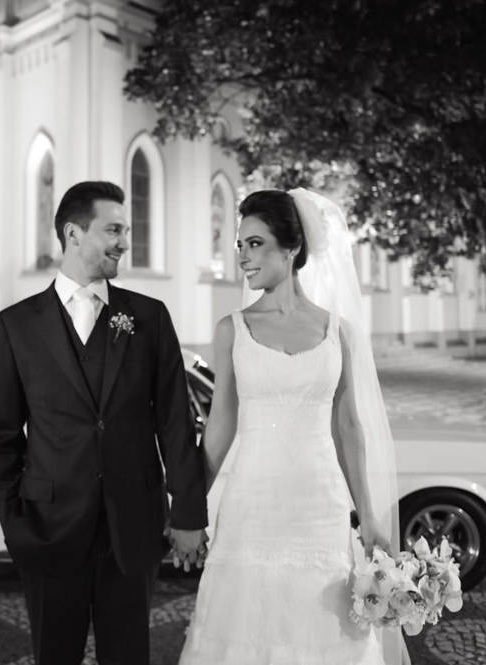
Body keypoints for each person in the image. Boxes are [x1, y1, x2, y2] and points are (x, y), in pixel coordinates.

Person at [178, 188, 409, 665]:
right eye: (240, 245)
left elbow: (348, 427)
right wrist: (189, 511)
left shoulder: (338, 332)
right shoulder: (231, 330)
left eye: (255, 243)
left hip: (320, 510)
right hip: (250, 507)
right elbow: (218, 426)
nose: (242, 256)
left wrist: (368, 515)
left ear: (292, 248)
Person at [0, 180, 209, 665]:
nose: (125, 242)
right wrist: (14, 522)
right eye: (113, 230)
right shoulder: (15, 325)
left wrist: (188, 513)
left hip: (132, 527)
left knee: (128, 656)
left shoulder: (148, 317)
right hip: (48, 528)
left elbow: (174, 420)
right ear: (73, 233)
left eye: (125, 230)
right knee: (54, 656)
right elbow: (1, 436)